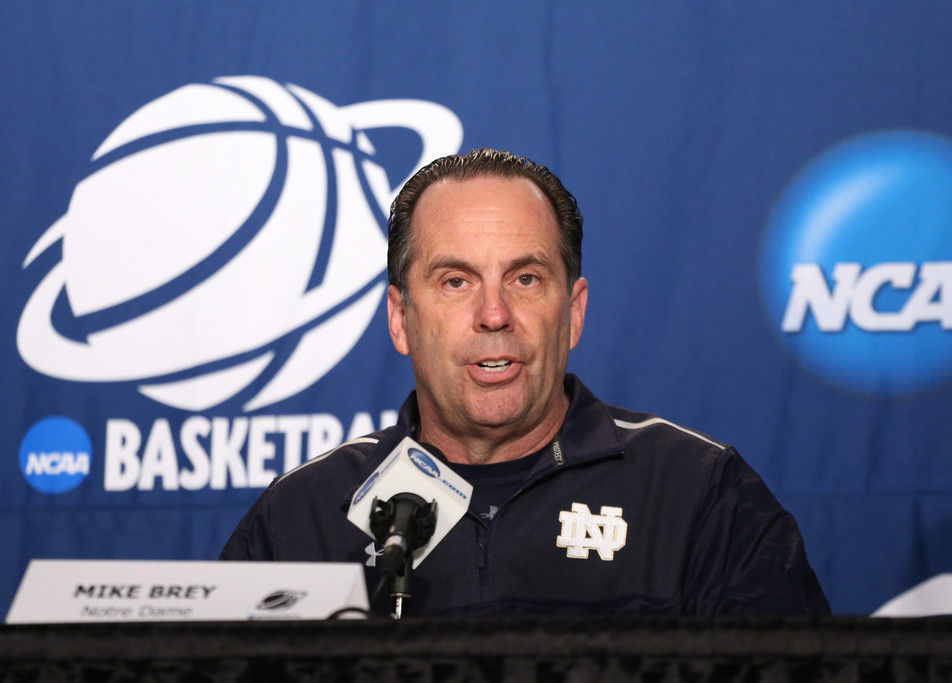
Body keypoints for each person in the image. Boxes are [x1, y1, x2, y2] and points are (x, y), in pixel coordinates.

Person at [220, 148, 831, 617]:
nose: (494, 314)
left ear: (575, 313)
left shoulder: (699, 494)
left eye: (527, 279)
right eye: (455, 281)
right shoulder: (304, 515)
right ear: (401, 318)